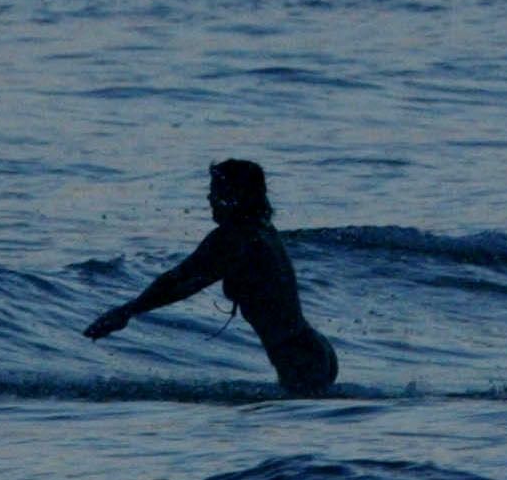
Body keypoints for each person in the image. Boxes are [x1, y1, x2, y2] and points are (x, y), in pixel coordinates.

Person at [84, 159, 339, 395]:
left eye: (217, 191)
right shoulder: (262, 230)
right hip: (312, 350)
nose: (209, 198)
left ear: (236, 196)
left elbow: (179, 281)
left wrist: (127, 311)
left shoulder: (234, 237)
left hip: (298, 358)